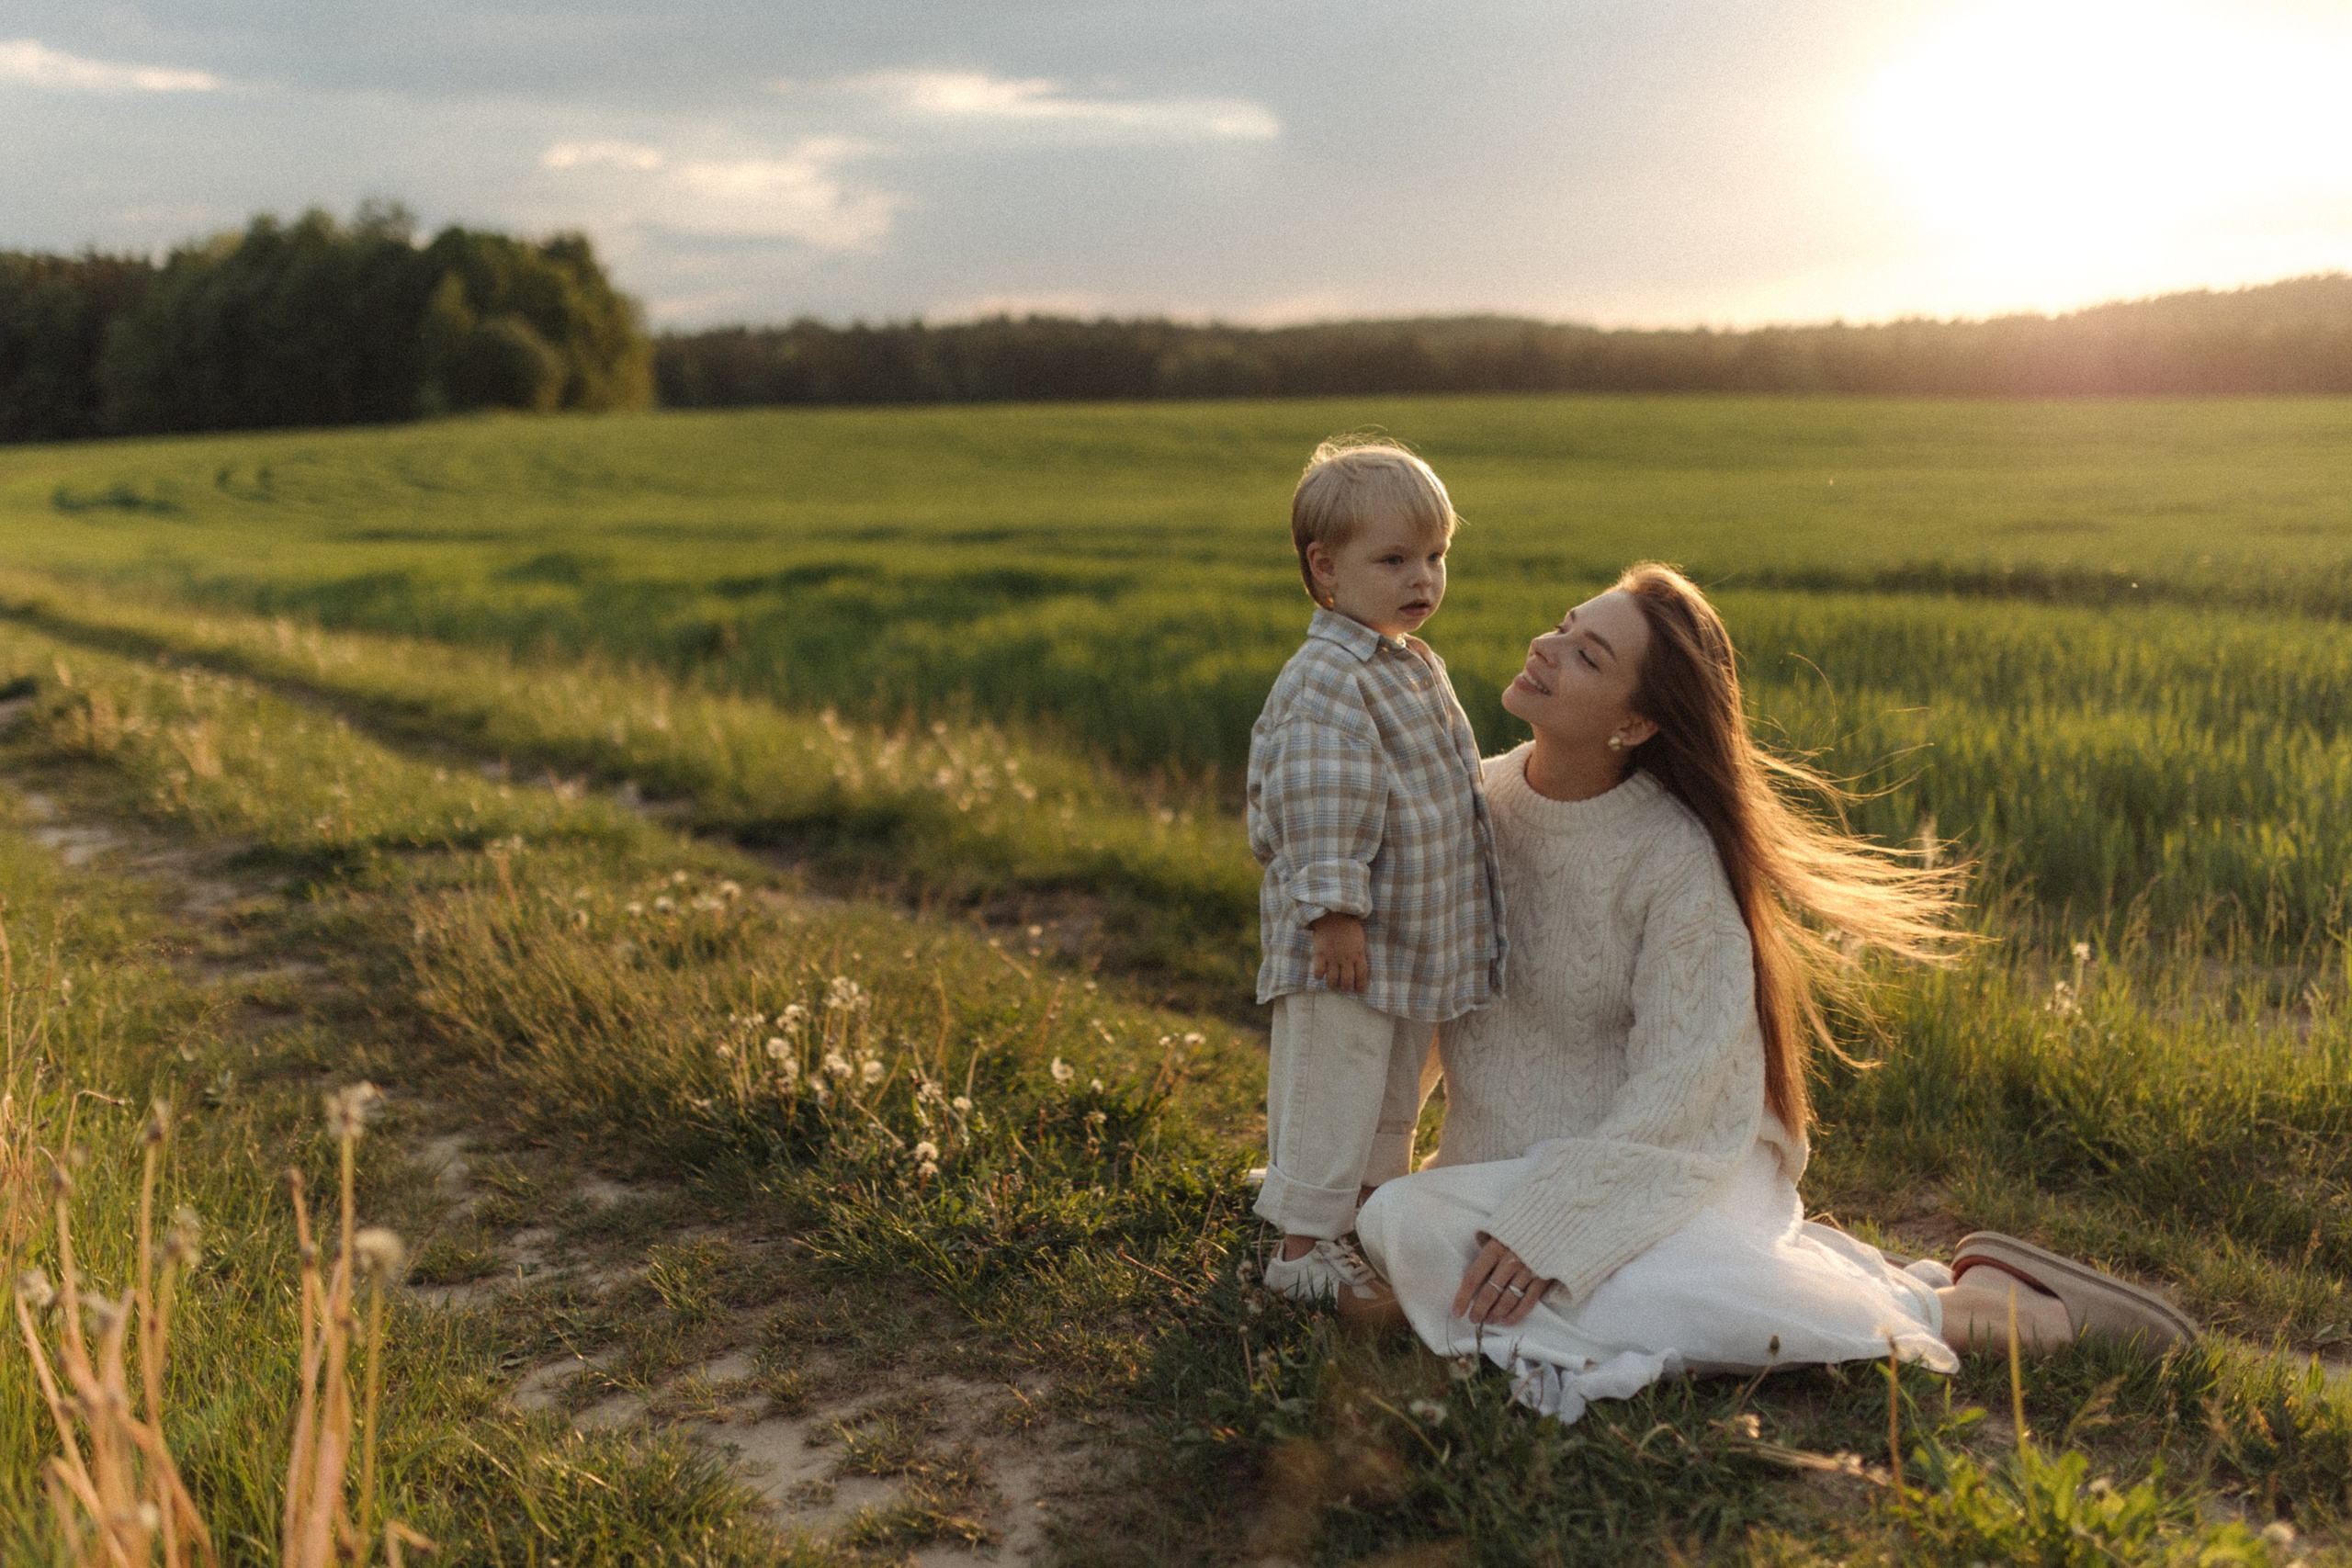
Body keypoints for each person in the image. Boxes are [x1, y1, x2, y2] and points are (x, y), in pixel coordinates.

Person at [1355, 563, 2195, 1424]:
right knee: (1400, 1219)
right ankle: (1868, 1282)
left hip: (1672, 1161)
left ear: (1636, 721)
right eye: (1565, 625)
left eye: (1589, 655)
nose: (1548, 646)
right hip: (1497, 1172)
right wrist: (1356, 1164)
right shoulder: (1464, 805)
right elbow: (1413, 1005)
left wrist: (1559, 1221)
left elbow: (1685, 1095)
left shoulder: (1672, 859)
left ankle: (1986, 1314)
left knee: (1642, 1300)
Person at [1247, 438, 1508, 1310]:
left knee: (1391, 1086)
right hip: (1346, 941)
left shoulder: (1407, 663)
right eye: (1393, 559)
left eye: (1435, 556)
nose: (1421, 578)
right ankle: (1300, 1249)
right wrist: (1333, 911)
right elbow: (1321, 796)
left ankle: (1363, 1211)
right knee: (1335, 1080)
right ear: (1326, 568)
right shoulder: (1330, 677)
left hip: (1403, 937)